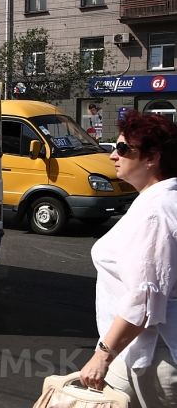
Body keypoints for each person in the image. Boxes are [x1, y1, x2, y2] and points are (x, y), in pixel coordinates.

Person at [79, 110, 177, 407]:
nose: (113, 155)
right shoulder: (162, 200)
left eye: (122, 149)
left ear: (152, 157)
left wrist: (102, 354)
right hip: (140, 351)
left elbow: (144, 300)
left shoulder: (155, 212)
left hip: (153, 355)